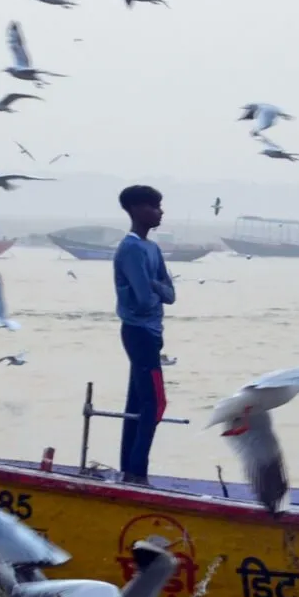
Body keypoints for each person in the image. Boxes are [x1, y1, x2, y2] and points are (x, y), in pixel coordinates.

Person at [113, 184, 176, 483]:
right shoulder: (131, 248)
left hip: (153, 332)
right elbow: (142, 298)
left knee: (138, 403)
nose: (160, 211)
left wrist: (154, 286)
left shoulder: (152, 248)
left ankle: (130, 468)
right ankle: (137, 472)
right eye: (154, 206)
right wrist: (154, 288)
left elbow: (171, 294)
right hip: (138, 332)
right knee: (156, 401)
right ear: (136, 209)